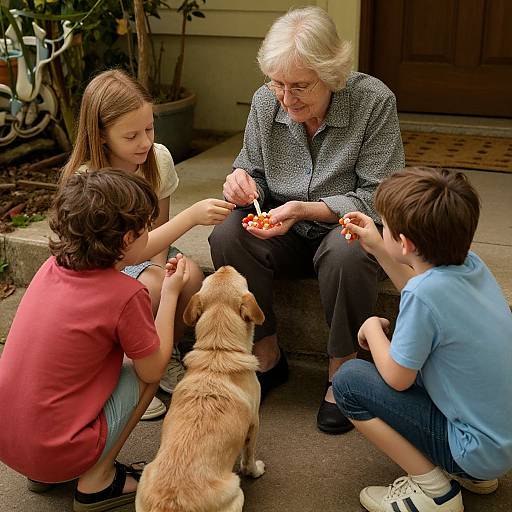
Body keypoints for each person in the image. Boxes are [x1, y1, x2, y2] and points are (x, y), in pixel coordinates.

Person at [208, 6, 404, 433]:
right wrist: (241, 184)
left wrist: (309, 209)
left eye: (300, 85)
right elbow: (252, 170)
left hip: (345, 229)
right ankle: (267, 351)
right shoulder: (266, 101)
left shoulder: (374, 102)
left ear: (332, 74)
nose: (286, 97)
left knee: (347, 249)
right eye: (277, 83)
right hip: (286, 232)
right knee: (227, 235)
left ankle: (342, 372)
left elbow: (380, 197)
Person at [0, 169, 193, 511]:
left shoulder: (52, 267)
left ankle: (46, 473)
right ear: (124, 241)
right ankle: (98, 482)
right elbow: (153, 369)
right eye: (145, 228)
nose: (151, 234)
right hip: (57, 450)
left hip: (11, 445)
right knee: (142, 370)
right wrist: (171, 292)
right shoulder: (125, 294)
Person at [333, 167, 512, 512]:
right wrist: (377, 247)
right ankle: (474, 474)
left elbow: (398, 379)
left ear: (404, 243)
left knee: (350, 382)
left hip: (472, 447)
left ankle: (435, 493)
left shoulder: (423, 294)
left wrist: (371, 326)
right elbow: (424, 291)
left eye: (383, 225)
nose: (380, 228)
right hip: (497, 442)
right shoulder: (472, 266)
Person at [62, 69, 234, 420]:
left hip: (147, 248)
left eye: (149, 129)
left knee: (191, 277)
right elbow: (116, 256)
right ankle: (129, 371)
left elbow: (159, 228)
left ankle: (162, 352)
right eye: (131, 135)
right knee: (151, 287)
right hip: (102, 265)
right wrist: (192, 217)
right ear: (102, 135)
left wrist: (159, 264)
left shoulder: (158, 158)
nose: (144, 142)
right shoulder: (88, 178)